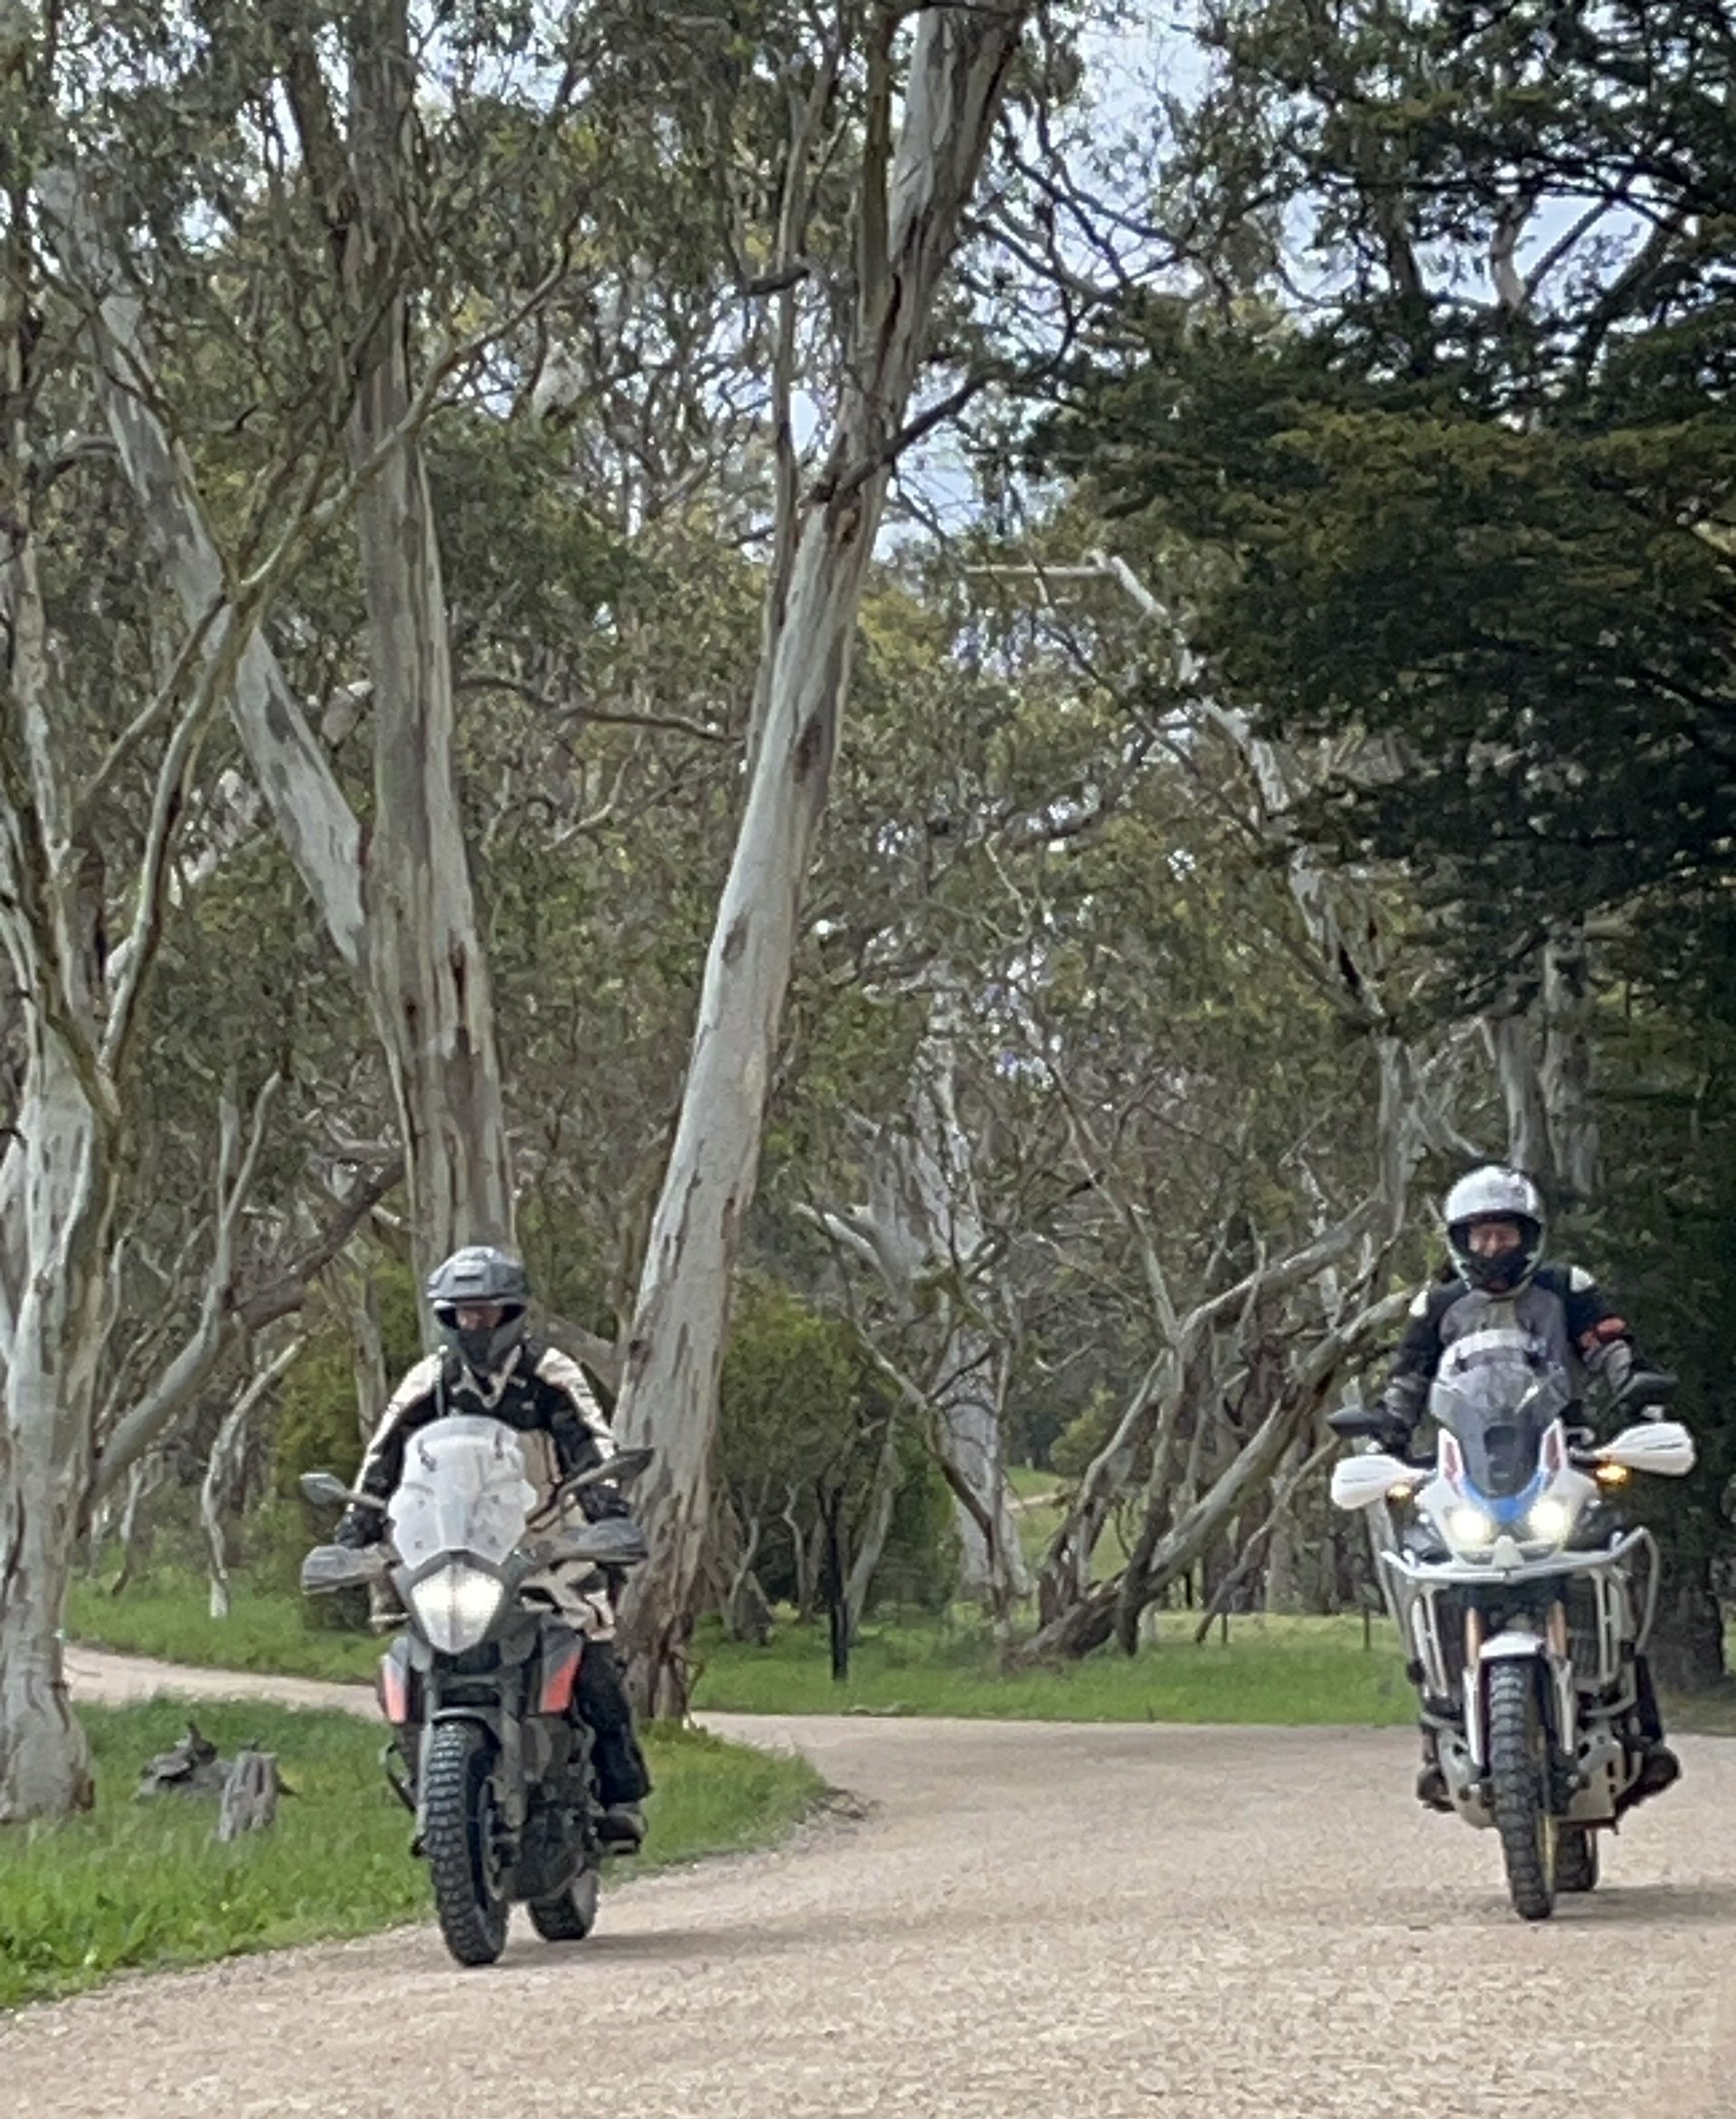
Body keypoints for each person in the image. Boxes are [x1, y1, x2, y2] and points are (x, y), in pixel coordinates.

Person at [1373, 1164, 1680, 1812]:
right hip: (1469, 1469)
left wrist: (1640, 1398)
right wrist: (1385, 1438)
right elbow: (1407, 1379)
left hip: (1562, 1457)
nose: (1493, 1247)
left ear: (1528, 1234)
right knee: (1427, 1571)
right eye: (1480, 1236)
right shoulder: (1436, 1304)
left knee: (1613, 1568)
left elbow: (1610, 1346)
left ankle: (1642, 1732)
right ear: (1460, 1240)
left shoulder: (1566, 1287)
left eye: (1504, 1233)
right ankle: (1437, 1740)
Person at [334, 1244, 651, 1847]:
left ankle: (620, 1792)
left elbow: (594, 1444)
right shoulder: (429, 1381)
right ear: (447, 1318)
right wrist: (355, 1528)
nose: (476, 1325)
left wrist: (608, 1508)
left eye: (488, 1312)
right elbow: (382, 1456)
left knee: (591, 1651)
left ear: (514, 1313)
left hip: (545, 1539)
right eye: (463, 1314)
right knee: (410, 1655)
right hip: (451, 1542)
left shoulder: (551, 1374)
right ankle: (434, 1790)